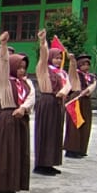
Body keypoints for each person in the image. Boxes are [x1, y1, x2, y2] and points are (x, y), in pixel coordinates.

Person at [0, 32, 35, 193]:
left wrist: (23, 108)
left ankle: (14, 186)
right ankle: (2, 188)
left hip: (21, 119)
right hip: (8, 119)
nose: (22, 70)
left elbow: (32, 97)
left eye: (24, 67)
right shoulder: (4, 82)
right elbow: (3, 64)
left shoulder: (26, 83)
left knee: (18, 153)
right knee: (6, 153)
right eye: (19, 67)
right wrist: (2, 45)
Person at [33, 30, 69, 176]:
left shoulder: (61, 72)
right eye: (56, 58)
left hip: (58, 103)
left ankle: (51, 162)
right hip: (47, 101)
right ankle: (42, 163)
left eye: (60, 58)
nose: (58, 61)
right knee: (46, 132)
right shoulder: (43, 69)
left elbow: (69, 84)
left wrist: (64, 91)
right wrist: (43, 42)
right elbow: (43, 57)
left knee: (55, 133)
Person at [63, 53, 97, 159]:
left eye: (87, 65)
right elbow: (72, 69)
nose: (86, 67)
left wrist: (89, 90)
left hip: (86, 100)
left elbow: (94, 85)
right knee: (75, 124)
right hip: (76, 99)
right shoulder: (75, 74)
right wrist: (72, 61)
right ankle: (72, 149)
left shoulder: (91, 77)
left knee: (86, 123)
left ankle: (82, 148)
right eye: (83, 64)